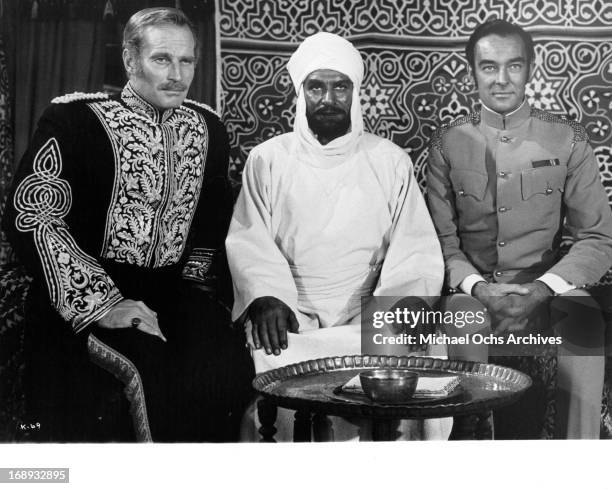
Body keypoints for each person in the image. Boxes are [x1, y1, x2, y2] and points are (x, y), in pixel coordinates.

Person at [3, 7, 253, 442]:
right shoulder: (75, 120)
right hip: (91, 294)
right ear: (130, 60)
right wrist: (105, 304)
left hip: (172, 293)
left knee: (227, 363)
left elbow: (213, 216)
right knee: (148, 373)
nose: (177, 75)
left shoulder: (207, 126)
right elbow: (33, 214)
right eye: (162, 59)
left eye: (187, 61)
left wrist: (195, 287)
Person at [427, 19, 612, 438]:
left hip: (548, 289)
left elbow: (597, 237)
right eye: (488, 67)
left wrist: (543, 289)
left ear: (531, 68)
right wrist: (479, 289)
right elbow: (443, 242)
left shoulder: (568, 138)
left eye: (513, 66)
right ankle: (478, 454)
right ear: (471, 71)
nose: (501, 79)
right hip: (475, 292)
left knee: (583, 316)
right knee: (460, 316)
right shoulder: (446, 144)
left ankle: (579, 465)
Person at [226, 32, 444, 356]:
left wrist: (408, 297)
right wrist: (265, 296)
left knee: (417, 354)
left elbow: (414, 244)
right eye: (316, 87)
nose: (328, 99)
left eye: (340, 86)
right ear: (300, 93)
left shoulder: (389, 160)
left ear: (355, 94)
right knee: (273, 352)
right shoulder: (267, 159)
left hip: (370, 309)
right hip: (290, 311)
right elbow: (250, 242)